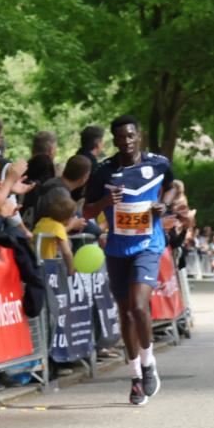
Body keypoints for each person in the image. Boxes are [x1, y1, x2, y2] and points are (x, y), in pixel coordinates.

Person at [83, 115, 180, 406]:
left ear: (138, 136)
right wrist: (104, 204)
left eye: (130, 136)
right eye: (120, 137)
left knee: (139, 306)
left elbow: (173, 185)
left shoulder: (158, 163)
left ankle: (149, 364)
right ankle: (135, 377)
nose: (126, 142)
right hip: (117, 249)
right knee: (125, 314)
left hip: (149, 246)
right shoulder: (104, 172)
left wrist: (165, 203)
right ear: (114, 140)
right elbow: (86, 211)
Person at [34, 189, 77, 274]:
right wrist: (71, 269)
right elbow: (66, 252)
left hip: (33, 260)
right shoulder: (58, 227)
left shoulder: (42, 221)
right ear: (69, 218)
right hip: (47, 263)